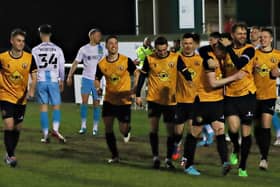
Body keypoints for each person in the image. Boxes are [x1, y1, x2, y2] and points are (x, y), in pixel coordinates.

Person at [183, 41, 245, 176]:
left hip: (217, 102)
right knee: (195, 133)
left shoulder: (221, 59)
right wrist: (234, 77)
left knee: (220, 131)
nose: (224, 55)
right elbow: (212, 83)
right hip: (203, 102)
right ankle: (187, 165)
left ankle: (225, 162)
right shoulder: (209, 60)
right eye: (223, 52)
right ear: (217, 51)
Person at [135, 36, 192, 169]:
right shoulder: (150, 59)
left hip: (170, 101)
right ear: (156, 49)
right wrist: (137, 95)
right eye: (159, 51)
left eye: (164, 50)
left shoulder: (175, 57)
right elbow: (143, 76)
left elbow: (185, 72)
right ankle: (155, 157)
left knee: (171, 132)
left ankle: (168, 159)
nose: (161, 53)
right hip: (154, 100)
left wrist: (190, 82)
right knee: (153, 129)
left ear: (167, 47)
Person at [219, 22, 256, 177]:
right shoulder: (224, 51)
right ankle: (235, 147)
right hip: (230, 96)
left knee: (246, 132)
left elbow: (240, 63)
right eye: (239, 33)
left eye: (244, 33)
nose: (242, 36)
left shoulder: (249, 49)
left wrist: (228, 48)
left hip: (247, 95)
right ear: (233, 35)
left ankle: (242, 166)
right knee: (233, 129)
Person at [95, 35, 139, 163]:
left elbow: (136, 73)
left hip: (124, 101)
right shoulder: (102, 64)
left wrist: (135, 88)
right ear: (107, 46)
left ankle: (127, 131)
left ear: (117, 45)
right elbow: (97, 78)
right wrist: (98, 88)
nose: (113, 45)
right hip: (109, 100)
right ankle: (115, 156)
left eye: (115, 43)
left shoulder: (126, 60)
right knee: (108, 127)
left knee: (122, 129)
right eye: (110, 43)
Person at [0, 28, 37, 167]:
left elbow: (34, 76)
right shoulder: (2, 57)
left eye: (23, 41)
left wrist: (32, 90)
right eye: (18, 40)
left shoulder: (29, 57)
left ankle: (9, 153)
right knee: (9, 125)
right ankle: (11, 156)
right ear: (12, 41)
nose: (21, 43)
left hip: (21, 98)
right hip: (5, 96)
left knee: (17, 128)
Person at [66, 28, 105, 135]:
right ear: (91, 36)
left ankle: (95, 128)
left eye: (100, 36)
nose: (99, 38)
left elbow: (104, 64)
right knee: (84, 102)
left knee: (97, 103)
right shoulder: (83, 49)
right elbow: (75, 62)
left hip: (97, 80)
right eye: (97, 36)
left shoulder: (101, 49)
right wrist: (69, 75)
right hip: (86, 79)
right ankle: (83, 126)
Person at [32, 24, 66, 143]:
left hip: (41, 81)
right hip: (53, 81)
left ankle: (46, 134)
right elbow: (61, 67)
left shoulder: (35, 50)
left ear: (40, 34)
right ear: (50, 34)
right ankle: (55, 130)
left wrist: (32, 83)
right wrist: (61, 80)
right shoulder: (57, 49)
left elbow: (33, 68)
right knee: (56, 106)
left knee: (43, 108)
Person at [253, 28, 280, 170]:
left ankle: (264, 158)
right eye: (261, 37)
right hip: (254, 96)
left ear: (271, 39)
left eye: (265, 37)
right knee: (257, 128)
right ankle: (262, 151)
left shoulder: (278, 55)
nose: (262, 39)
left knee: (265, 125)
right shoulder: (254, 54)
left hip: (269, 96)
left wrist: (279, 72)